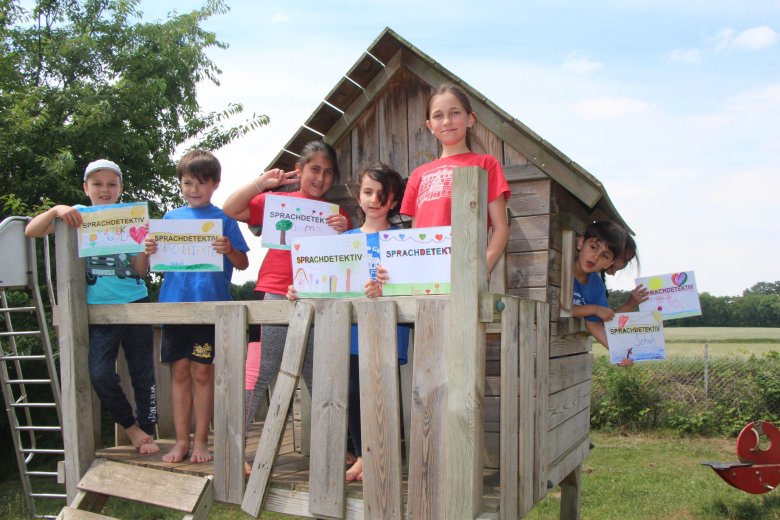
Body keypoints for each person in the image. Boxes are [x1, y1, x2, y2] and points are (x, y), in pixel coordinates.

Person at [222, 141, 351, 449]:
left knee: (318, 374)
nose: (321, 179)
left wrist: (345, 232)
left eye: (328, 172)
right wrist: (262, 183)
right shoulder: (276, 201)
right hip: (275, 294)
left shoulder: (337, 214)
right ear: (299, 170)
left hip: (319, 299)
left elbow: (349, 260)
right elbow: (229, 209)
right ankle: (232, 450)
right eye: (315, 170)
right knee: (260, 370)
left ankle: (334, 450)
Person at [25, 159, 159, 454]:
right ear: (86, 188)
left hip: (136, 302)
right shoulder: (78, 214)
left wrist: (146, 250)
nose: (105, 189)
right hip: (98, 310)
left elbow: (139, 272)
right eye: (97, 184)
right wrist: (57, 209)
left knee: (143, 372)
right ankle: (131, 426)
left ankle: (149, 430)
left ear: (121, 188)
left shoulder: (132, 217)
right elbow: (32, 231)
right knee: (99, 373)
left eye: (112, 184)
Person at [287, 163, 409, 481]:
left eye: (382, 194)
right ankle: (364, 456)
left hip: (386, 332)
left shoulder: (405, 242)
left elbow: (418, 285)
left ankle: (380, 456)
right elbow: (320, 281)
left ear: (394, 201)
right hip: (349, 335)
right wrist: (300, 289)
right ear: (358, 195)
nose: (374, 199)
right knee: (353, 392)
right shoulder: (342, 242)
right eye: (368, 192)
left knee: (383, 394)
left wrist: (388, 288)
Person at [144, 149, 249, 463]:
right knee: (179, 373)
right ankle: (180, 442)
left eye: (202, 182)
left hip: (210, 310)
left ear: (215, 184)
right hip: (174, 307)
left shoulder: (225, 218)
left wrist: (229, 249)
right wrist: (149, 249)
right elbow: (152, 263)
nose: (194, 189)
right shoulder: (170, 218)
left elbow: (243, 263)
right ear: (180, 183)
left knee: (203, 374)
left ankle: (202, 441)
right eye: (188, 182)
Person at [400, 82, 510, 275]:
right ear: (430, 126)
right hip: (425, 274)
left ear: (470, 119)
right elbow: (415, 233)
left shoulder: (486, 164)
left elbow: (501, 228)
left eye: (455, 113)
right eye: (438, 115)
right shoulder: (418, 174)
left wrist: (483, 267)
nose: (447, 121)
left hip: (465, 275)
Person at [571, 221, 627, 356]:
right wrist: (595, 309)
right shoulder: (559, 269)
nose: (596, 257)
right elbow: (554, 307)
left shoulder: (597, 286)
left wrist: (618, 353)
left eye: (605, 256)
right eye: (593, 247)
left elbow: (593, 324)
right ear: (580, 243)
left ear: (609, 264)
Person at [604, 234, 649, 313]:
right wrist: (629, 305)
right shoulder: (593, 280)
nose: (622, 264)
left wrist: (630, 305)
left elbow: (602, 318)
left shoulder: (597, 281)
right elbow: (601, 322)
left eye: (627, 260)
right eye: (621, 257)